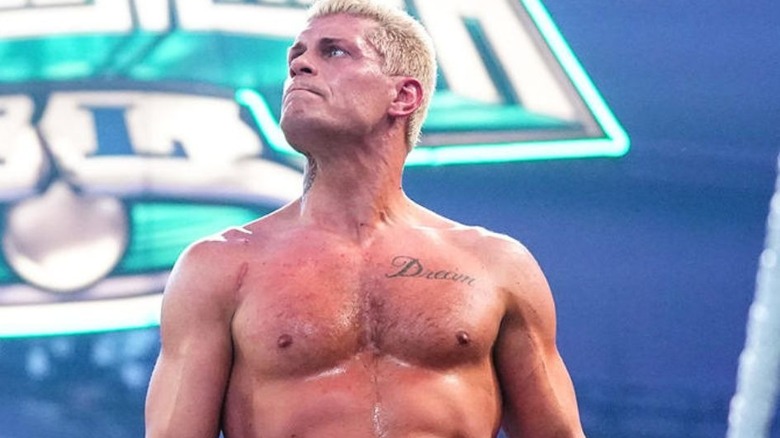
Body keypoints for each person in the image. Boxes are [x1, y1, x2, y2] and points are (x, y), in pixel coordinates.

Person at [144, 0, 586, 436]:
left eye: (333, 51)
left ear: (403, 95)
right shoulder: (219, 266)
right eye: (296, 56)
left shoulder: (495, 265)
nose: (300, 66)